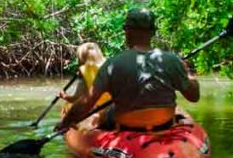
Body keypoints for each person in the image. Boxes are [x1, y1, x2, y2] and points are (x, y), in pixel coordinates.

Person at [57, 7, 199, 132]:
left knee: (104, 112)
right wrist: (186, 71)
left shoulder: (113, 64)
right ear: (153, 32)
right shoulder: (171, 60)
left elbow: (85, 104)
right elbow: (194, 96)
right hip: (164, 123)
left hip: (128, 125)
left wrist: (65, 122)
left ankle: (96, 124)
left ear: (127, 31)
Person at [59, 42, 112, 109]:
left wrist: (64, 96)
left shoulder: (86, 71)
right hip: (114, 109)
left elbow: (77, 99)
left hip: (97, 110)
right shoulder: (111, 65)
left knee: (67, 107)